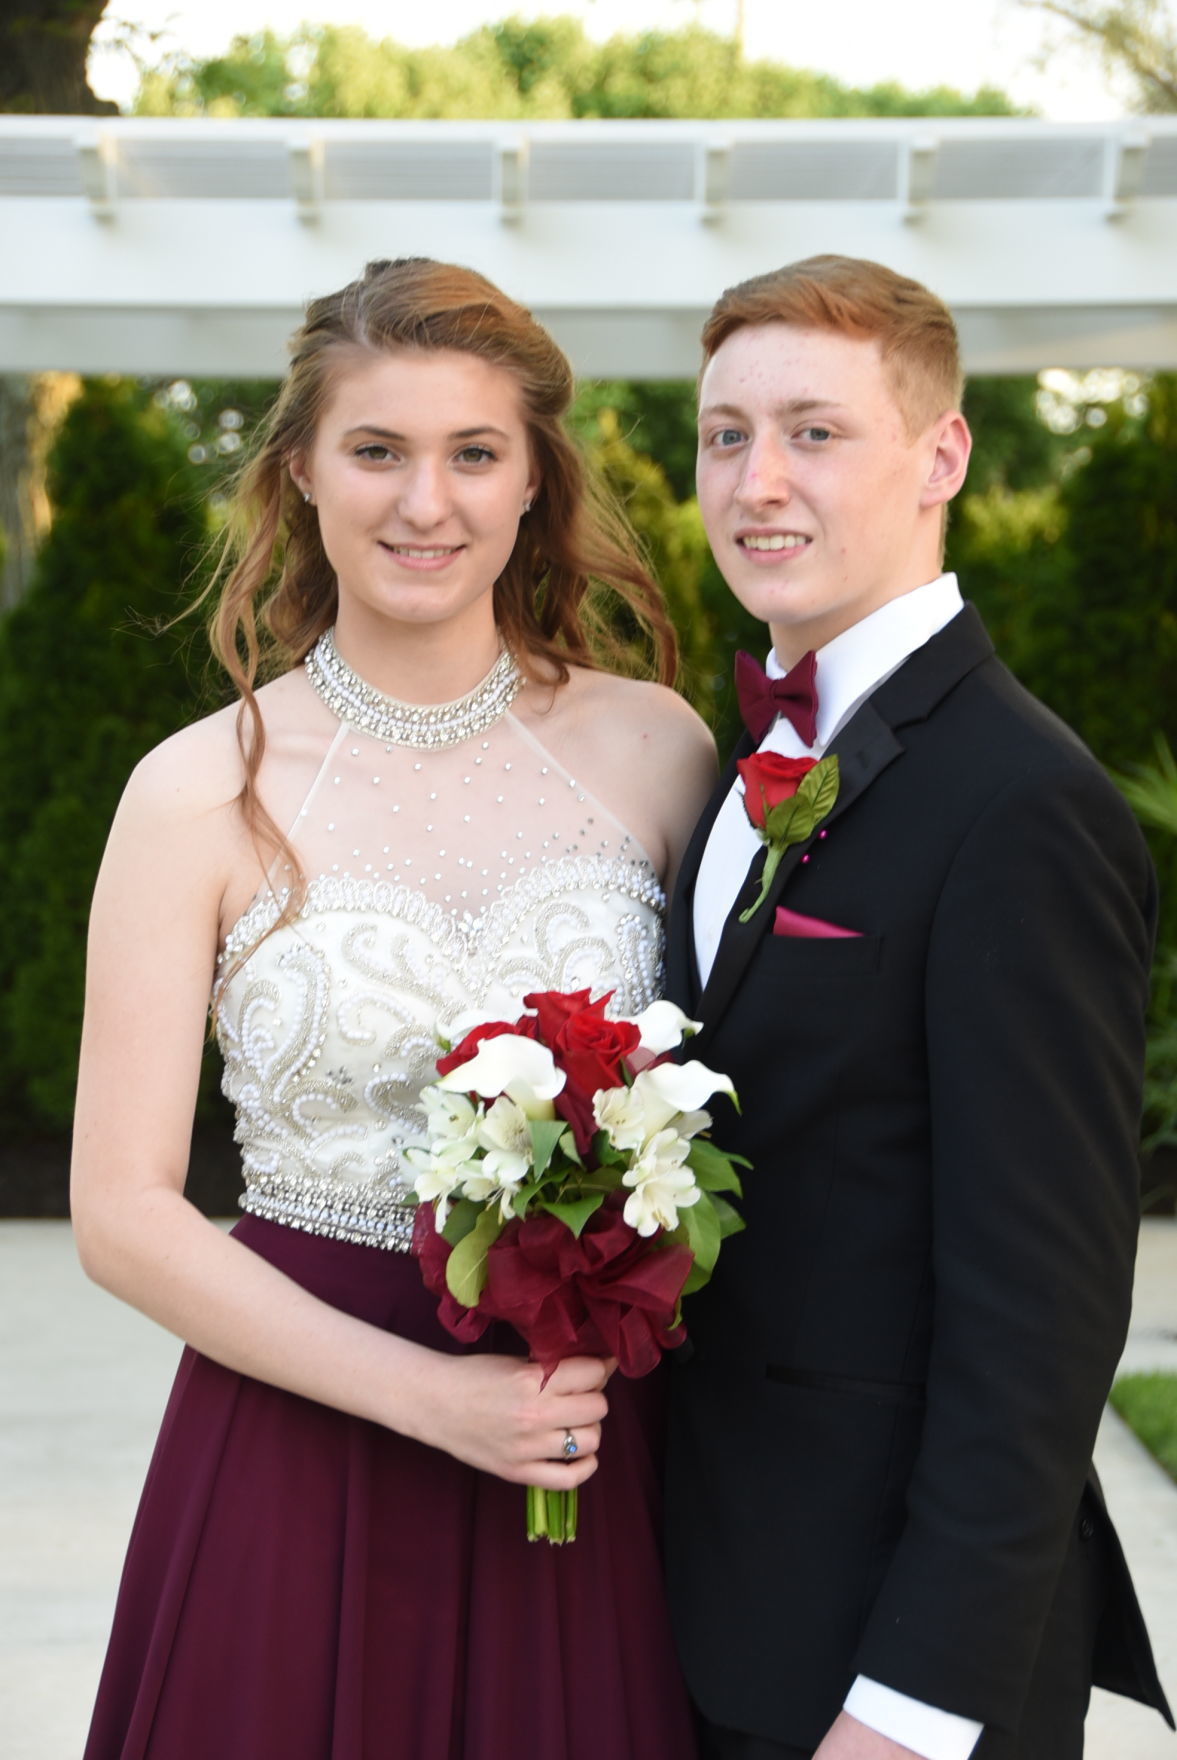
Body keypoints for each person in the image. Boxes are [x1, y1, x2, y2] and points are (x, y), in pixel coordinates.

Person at [71, 255, 715, 1760]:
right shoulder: (194, 792)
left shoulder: (655, 751)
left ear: (532, 480)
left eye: (473, 453)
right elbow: (120, 1210)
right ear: (300, 470)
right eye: (377, 450)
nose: (425, 503)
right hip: (294, 1425)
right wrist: (427, 1400)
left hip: (586, 1428)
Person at [662, 254, 1174, 1760]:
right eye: (724, 434)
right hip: (705, 1610)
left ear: (938, 455)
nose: (758, 481)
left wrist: (913, 1706)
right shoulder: (728, 760)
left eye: (814, 431)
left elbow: (1043, 1321)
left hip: (885, 1671)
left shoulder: (1021, 801)